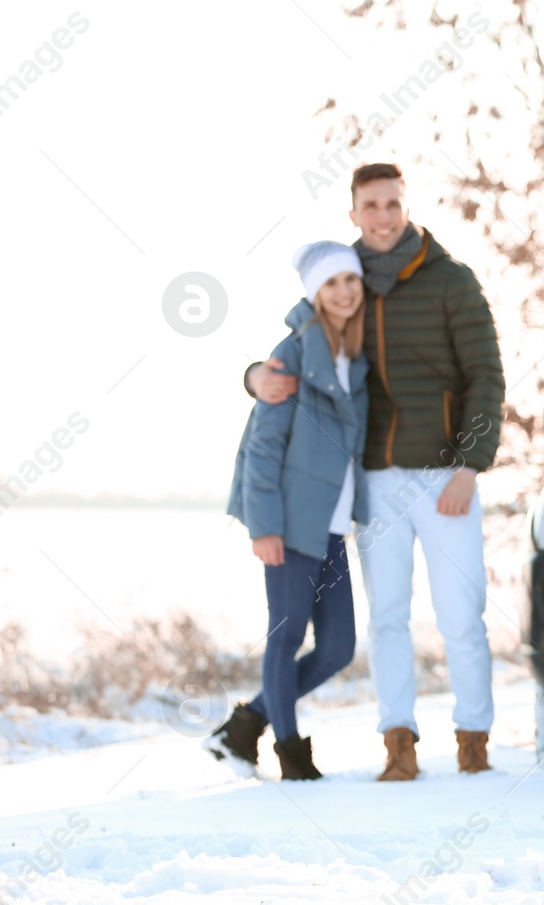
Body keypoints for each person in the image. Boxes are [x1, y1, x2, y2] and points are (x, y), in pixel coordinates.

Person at [245, 163, 506, 781]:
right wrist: (254, 375)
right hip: (374, 482)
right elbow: (297, 339)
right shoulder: (347, 276)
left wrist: (470, 465)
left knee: (460, 615)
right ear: (354, 213)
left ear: (406, 206)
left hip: (446, 477)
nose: (383, 216)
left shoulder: (452, 281)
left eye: (393, 203)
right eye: (371, 205)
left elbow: (487, 378)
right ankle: (399, 744)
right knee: (387, 617)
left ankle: (473, 739)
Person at [212, 242, 370, 780]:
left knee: (338, 648)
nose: (345, 292)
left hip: (331, 524)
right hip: (290, 525)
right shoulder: (294, 352)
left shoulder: (359, 352)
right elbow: (262, 447)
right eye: (332, 284)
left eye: (351, 281)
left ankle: (245, 723)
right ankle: (290, 754)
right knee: (285, 638)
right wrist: (265, 526)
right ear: (315, 293)